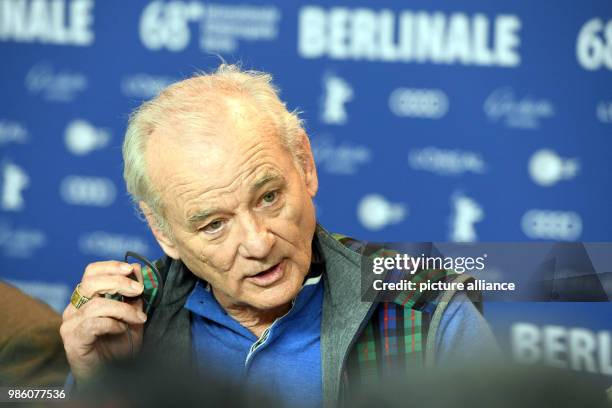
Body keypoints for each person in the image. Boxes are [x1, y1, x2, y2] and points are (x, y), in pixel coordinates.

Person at [60, 64, 498, 408]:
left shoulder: (421, 309)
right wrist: (100, 385)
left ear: (305, 165)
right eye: (214, 224)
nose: (258, 243)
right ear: (163, 232)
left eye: (268, 197)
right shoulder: (131, 319)